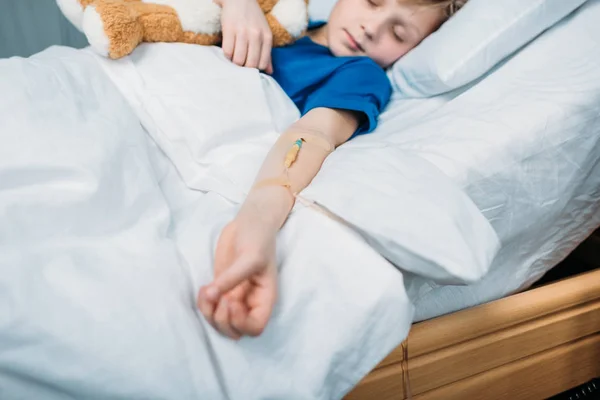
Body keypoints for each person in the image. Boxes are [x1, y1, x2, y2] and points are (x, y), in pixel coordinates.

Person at [197, 0, 467, 340]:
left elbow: (312, 135)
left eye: (399, 34)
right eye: (372, 2)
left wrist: (257, 224)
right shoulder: (285, 14)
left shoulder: (358, 74)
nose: (372, 27)